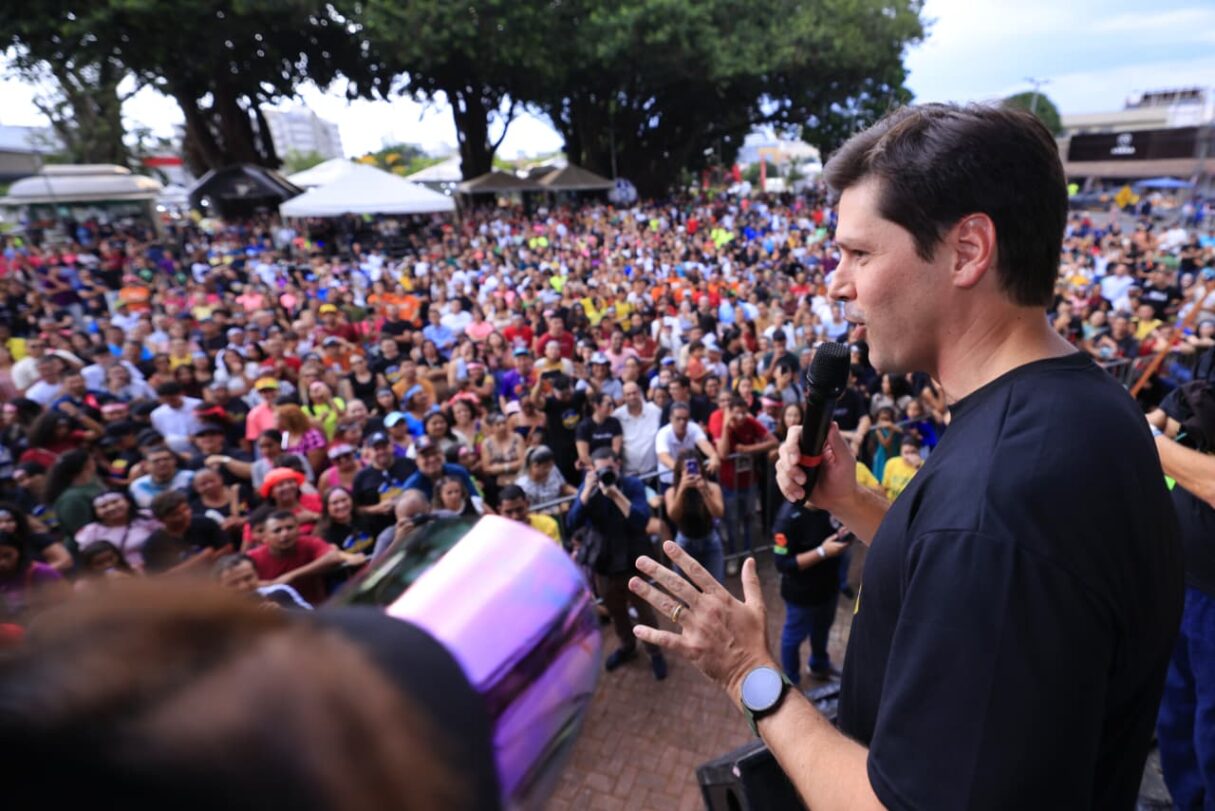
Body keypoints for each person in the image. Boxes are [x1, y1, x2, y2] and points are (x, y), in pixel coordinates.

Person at [624, 104, 1183, 809]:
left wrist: (750, 674)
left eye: (859, 253)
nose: (835, 281)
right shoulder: (1083, 404)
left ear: (968, 250)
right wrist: (849, 502)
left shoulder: (999, 501)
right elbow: (969, 591)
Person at [566, 447, 666, 680]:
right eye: (601, 470)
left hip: (632, 558)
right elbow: (572, 522)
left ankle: (655, 651)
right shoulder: (589, 487)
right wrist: (587, 491)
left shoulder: (631, 485)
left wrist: (615, 495)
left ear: (618, 465)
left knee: (644, 611)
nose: (606, 475)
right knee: (616, 611)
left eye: (610, 469)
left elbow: (640, 521)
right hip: (605, 561)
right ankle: (627, 646)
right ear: (593, 470)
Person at [771, 502, 850, 684]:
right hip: (801, 596)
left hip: (829, 588)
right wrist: (822, 552)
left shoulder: (829, 504)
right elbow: (782, 564)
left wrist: (844, 534)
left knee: (822, 629)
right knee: (793, 638)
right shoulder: (787, 520)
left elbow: (835, 531)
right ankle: (791, 681)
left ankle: (819, 665)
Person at [248, 510, 364, 605]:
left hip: (316, 610)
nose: (284, 534)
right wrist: (270, 584)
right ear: (265, 537)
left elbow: (333, 556)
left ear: (298, 529)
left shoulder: (308, 543)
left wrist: (291, 575)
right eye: (277, 530)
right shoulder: (253, 557)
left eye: (289, 528)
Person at [663, 451, 725, 583]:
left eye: (694, 468)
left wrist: (704, 492)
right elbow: (673, 516)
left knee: (716, 586)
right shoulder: (671, 491)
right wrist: (681, 489)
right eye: (687, 470)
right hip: (685, 543)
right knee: (683, 589)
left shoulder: (712, 488)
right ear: (680, 473)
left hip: (710, 541)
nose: (691, 473)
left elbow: (718, 513)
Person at [213, 551, 313, 609]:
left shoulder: (280, 592)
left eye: (248, 578)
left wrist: (284, 613)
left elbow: (315, 621)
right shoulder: (212, 613)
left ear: (257, 574)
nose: (244, 586)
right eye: (233, 583)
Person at [613, 380, 662, 478]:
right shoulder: (617, 416)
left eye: (634, 393)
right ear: (624, 397)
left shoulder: (655, 411)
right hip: (629, 474)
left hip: (654, 472)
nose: (632, 397)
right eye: (628, 394)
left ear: (639, 393)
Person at [497, 484, 561, 545]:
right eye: (509, 512)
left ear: (527, 504)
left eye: (519, 510)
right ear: (500, 511)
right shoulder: (495, 536)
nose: (515, 516)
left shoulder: (547, 524)